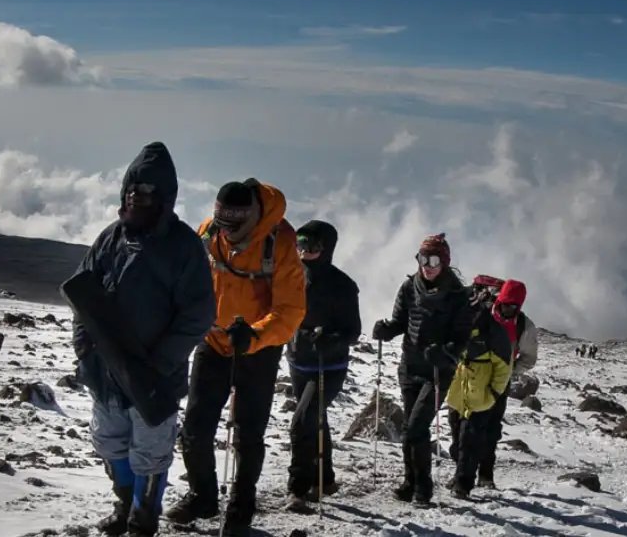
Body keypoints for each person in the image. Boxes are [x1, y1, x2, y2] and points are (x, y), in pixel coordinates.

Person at [70, 143, 216, 536]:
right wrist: (84, 347)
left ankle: (142, 518)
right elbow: (83, 294)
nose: (137, 195)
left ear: (165, 197)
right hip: (106, 370)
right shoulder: (110, 238)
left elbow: (198, 314)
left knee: (150, 452)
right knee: (109, 442)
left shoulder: (183, 247)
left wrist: (159, 363)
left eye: (147, 189)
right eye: (132, 188)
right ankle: (125, 504)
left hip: (154, 376)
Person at [166, 179, 308, 536]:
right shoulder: (208, 232)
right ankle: (203, 495)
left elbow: (290, 311)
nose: (226, 232)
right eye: (221, 222)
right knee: (195, 427)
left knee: (247, 433)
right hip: (213, 341)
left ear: (252, 217)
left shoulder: (281, 241)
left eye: (234, 225)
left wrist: (255, 334)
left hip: (257, 350)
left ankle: (241, 507)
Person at [370, 233, 471, 506]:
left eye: (434, 259)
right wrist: (386, 330)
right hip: (410, 367)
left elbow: (463, 338)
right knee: (410, 429)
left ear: (445, 262)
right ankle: (410, 481)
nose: (427, 265)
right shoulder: (409, 287)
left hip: (438, 372)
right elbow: (401, 321)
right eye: (423, 258)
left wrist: (446, 351)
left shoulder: (457, 296)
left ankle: (423, 488)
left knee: (416, 427)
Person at [284, 219, 361, 510]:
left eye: (311, 245)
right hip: (298, 363)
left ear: (326, 248)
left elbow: (353, 331)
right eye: (300, 243)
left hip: (328, 367)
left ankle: (298, 489)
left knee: (301, 421)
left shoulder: (343, 285)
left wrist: (330, 339)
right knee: (317, 419)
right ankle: (325, 478)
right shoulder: (291, 276)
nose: (304, 251)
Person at [448, 277, 537, 488]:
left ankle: (485, 475)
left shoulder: (525, 326)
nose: (507, 310)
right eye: (504, 304)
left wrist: (508, 372)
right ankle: (461, 472)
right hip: (468, 377)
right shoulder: (482, 312)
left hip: (499, 381)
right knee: (457, 423)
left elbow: (529, 358)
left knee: (489, 429)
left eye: (512, 307)